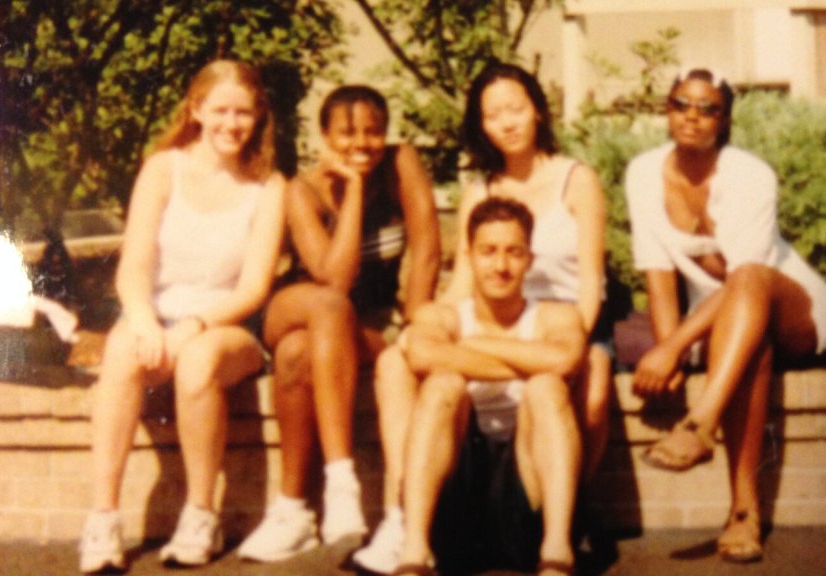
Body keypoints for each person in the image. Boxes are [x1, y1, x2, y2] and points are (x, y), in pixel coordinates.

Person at [355, 62, 609, 575]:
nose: (507, 122)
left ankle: (570, 513)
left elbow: (589, 285)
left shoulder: (576, 179)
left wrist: (560, 345)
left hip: (565, 318)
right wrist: (436, 328)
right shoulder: (481, 190)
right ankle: (403, 518)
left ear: (537, 109)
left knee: (591, 370)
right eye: (493, 115)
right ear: (481, 124)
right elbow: (462, 286)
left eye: (515, 108)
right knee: (395, 364)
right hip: (498, 320)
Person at [625, 67, 826, 562]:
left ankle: (701, 424)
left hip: (792, 305)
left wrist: (674, 346)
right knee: (751, 345)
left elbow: (744, 277)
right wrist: (668, 358)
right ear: (666, 109)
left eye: (708, 109)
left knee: (747, 279)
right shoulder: (643, 173)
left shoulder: (749, 174)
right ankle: (744, 513)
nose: (692, 116)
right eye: (681, 104)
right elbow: (658, 273)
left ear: (724, 121)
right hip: (727, 324)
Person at [78, 60, 286, 573]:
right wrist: (144, 320)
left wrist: (195, 325)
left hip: (227, 326)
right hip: (159, 313)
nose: (231, 124)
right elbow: (133, 268)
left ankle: (200, 515)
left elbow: (254, 288)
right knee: (121, 350)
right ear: (196, 110)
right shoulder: (162, 169)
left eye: (243, 113)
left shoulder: (268, 184)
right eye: (220, 111)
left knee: (196, 362)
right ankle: (103, 519)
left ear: (259, 115)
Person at [237, 85, 441, 562]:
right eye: (347, 133)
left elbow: (428, 251)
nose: (362, 144)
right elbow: (334, 278)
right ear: (325, 136)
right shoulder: (301, 190)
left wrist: (415, 321)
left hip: (358, 325)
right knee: (328, 306)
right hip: (297, 305)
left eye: (373, 131)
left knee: (296, 354)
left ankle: (293, 511)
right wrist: (352, 192)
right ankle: (341, 482)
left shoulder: (400, 164)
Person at [393, 196, 584, 576]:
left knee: (546, 387)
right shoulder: (441, 316)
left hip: (526, 489)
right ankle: (414, 554)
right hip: (456, 491)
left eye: (514, 252)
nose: (500, 266)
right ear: (468, 257)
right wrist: (526, 361)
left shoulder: (556, 316)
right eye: (488, 252)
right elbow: (422, 355)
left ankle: (557, 553)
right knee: (442, 385)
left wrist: (471, 346)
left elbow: (564, 361)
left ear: (529, 259)